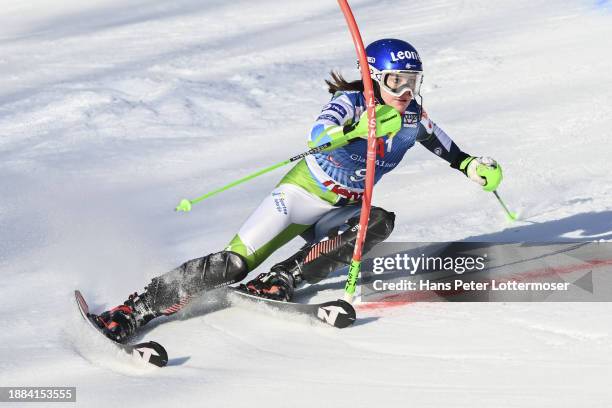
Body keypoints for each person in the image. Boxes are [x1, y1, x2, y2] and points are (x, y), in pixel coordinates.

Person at [94, 38, 502, 342]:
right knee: (233, 264)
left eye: (413, 81)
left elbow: (440, 142)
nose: (406, 91)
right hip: (300, 198)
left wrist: (471, 165)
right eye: (397, 81)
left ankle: (282, 278)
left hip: (341, 208)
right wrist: (356, 129)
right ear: (376, 77)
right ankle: (135, 309)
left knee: (376, 221)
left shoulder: (412, 114)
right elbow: (318, 133)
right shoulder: (352, 102)